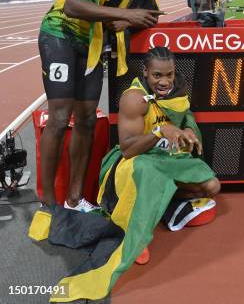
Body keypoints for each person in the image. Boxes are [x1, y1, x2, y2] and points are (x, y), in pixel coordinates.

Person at [39, 47, 219, 302]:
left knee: (211, 187)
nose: (165, 81)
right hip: (133, 163)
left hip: (165, 159)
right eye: (157, 75)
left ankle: (165, 207)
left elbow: (185, 113)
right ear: (145, 73)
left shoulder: (178, 87)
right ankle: (136, 229)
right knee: (146, 171)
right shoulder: (133, 99)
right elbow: (128, 150)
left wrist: (188, 129)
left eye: (169, 74)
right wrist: (159, 132)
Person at [38, 0, 171, 211]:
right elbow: (73, 6)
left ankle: (74, 200)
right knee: (60, 118)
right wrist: (126, 14)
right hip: (60, 33)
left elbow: (151, 16)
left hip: (91, 43)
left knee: (86, 119)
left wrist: (128, 22)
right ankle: (47, 202)